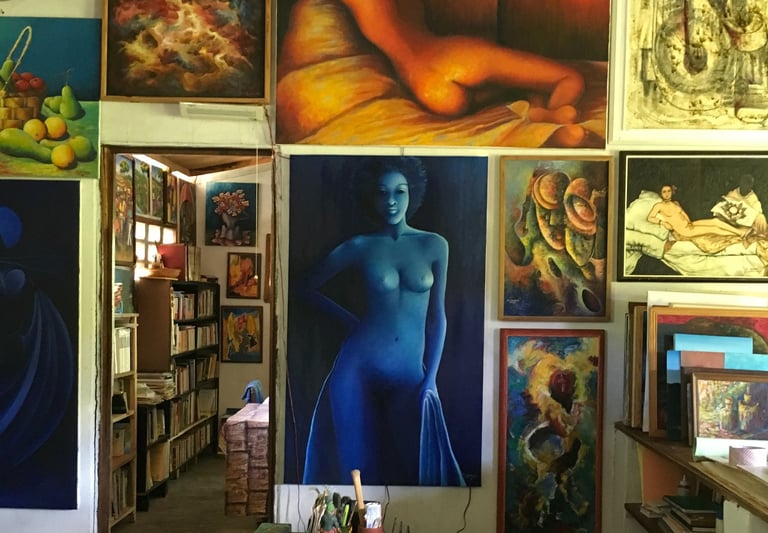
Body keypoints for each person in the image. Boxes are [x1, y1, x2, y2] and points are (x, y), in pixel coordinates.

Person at [299, 156, 464, 486]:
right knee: (355, 474)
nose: (391, 201)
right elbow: (304, 288)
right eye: (381, 192)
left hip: (410, 373)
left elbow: (438, 317)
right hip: (356, 370)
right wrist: (350, 321)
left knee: (414, 475)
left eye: (399, 192)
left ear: (412, 193)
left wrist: (431, 379)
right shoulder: (359, 246)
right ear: (371, 197)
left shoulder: (435, 245)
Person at [336, 0, 588, 147]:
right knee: (570, 78)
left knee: (518, 89)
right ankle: (555, 115)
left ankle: (544, 119)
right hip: (447, 58)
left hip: (422, 85)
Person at [647, 184, 750, 242]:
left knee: (715, 221)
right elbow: (650, 217)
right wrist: (662, 222)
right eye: (664, 191)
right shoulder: (659, 205)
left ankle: (739, 231)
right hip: (684, 231)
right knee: (713, 229)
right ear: (660, 193)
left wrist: (689, 222)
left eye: (669, 191)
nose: (667, 194)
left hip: (689, 224)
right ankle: (739, 234)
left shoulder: (675, 203)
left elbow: (683, 213)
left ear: (672, 192)